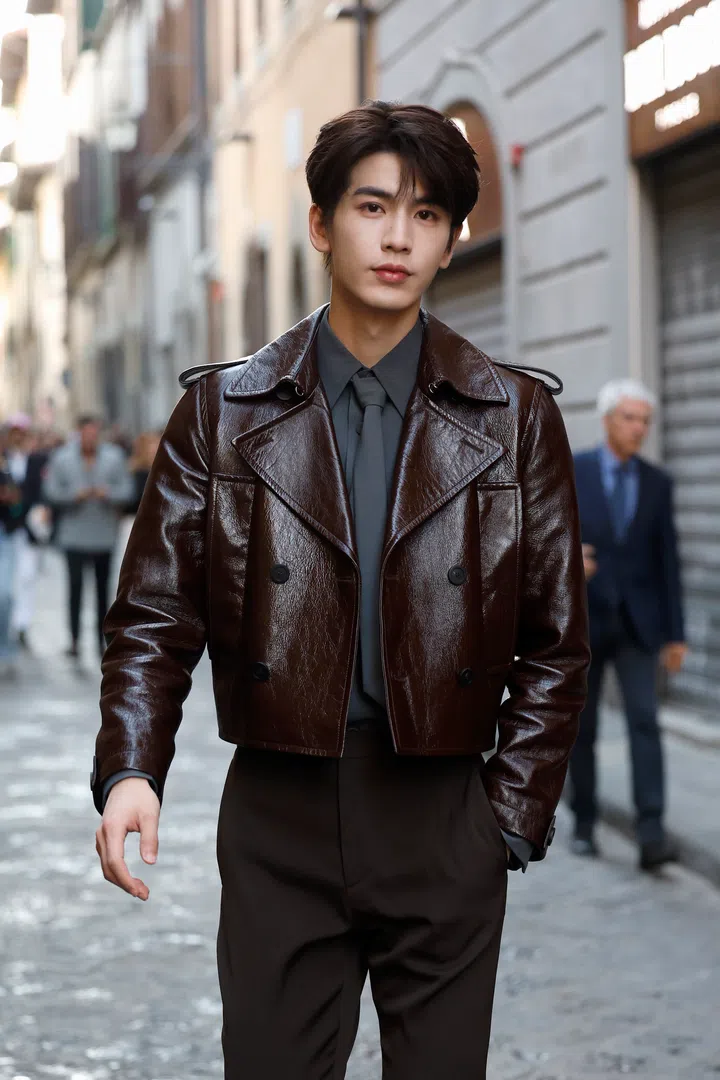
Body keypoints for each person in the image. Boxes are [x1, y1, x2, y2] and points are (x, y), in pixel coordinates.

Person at [92, 102, 589, 1078]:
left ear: (454, 239)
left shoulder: (516, 415)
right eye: (372, 205)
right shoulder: (221, 411)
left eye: (428, 213)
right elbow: (154, 613)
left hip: (445, 810)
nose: (399, 234)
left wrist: (505, 820)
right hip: (280, 810)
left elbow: (556, 642)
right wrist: (129, 769)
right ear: (321, 224)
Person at [569, 379, 687, 871]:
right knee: (584, 726)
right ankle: (583, 823)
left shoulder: (658, 483)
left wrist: (675, 634)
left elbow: (668, 561)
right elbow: (540, 537)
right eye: (630, 418)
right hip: (586, 621)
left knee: (644, 721)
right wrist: (569, 561)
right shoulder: (573, 471)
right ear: (607, 420)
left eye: (645, 421)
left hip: (641, 625)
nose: (639, 428)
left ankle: (652, 832)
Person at [43, 415, 132, 660]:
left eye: (94, 433)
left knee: (104, 590)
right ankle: (73, 639)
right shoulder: (61, 457)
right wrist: (75, 495)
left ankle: (101, 640)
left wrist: (109, 494)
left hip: (103, 535)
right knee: (74, 588)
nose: (90, 438)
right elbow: (50, 491)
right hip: (73, 535)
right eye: (86, 433)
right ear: (79, 433)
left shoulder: (114, 456)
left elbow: (128, 490)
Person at [4, 413, 50, 651]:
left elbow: (42, 491)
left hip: (29, 529)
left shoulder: (37, 460)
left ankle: (22, 624)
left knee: (27, 577)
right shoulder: (4, 459)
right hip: (8, 529)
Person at [0, 432, 23, 678]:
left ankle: (5, 647)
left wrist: (12, 500)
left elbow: (18, 506)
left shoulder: (7, 470)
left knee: (4, 595)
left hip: (4, 536)